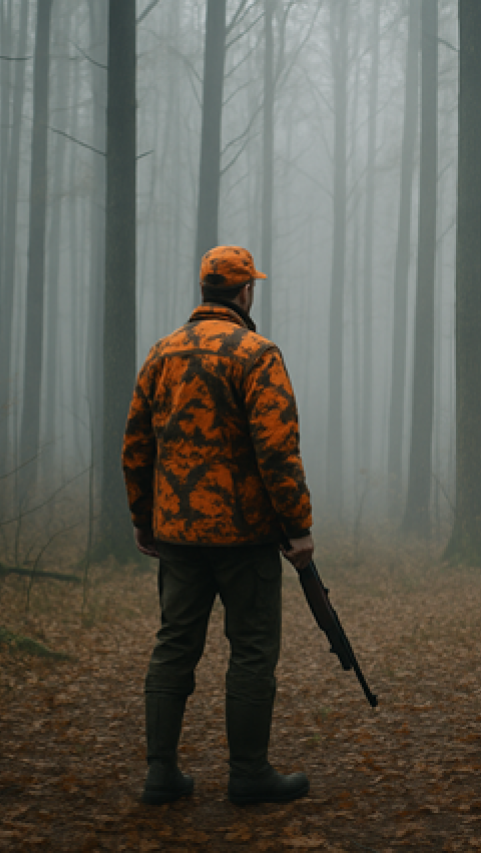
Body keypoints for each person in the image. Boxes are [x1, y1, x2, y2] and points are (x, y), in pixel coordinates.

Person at [122, 245, 315, 807]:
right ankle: (249, 773)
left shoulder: (162, 353)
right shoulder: (257, 355)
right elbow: (277, 450)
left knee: (174, 645)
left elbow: (136, 446)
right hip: (244, 536)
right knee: (252, 649)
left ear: (206, 290)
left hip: (178, 536)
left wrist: (143, 518)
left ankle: (161, 773)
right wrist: (297, 525)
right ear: (245, 292)